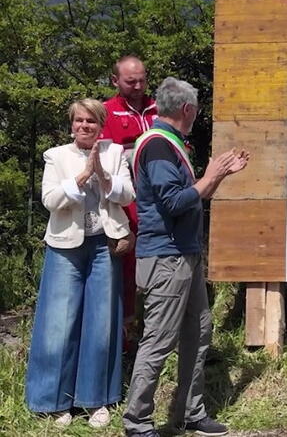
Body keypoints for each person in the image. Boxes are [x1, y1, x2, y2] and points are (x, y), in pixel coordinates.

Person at [123, 77, 249, 437]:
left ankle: (191, 413)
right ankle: (137, 422)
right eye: (196, 110)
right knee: (159, 340)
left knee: (199, 330)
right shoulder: (158, 146)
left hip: (184, 255)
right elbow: (174, 202)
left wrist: (218, 177)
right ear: (187, 109)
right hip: (166, 258)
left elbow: (194, 194)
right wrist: (211, 174)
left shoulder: (170, 143)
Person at [26, 99, 135, 428]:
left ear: (101, 125)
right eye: (79, 121)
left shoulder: (115, 152)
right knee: (59, 323)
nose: (85, 126)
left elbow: (128, 195)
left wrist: (103, 175)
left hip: (104, 244)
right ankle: (54, 401)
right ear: (71, 124)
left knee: (101, 323)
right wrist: (83, 175)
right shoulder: (56, 155)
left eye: (91, 121)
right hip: (65, 246)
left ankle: (96, 400)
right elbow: (50, 200)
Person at [101, 55, 158, 348]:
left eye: (142, 80)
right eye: (130, 81)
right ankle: (125, 334)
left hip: (161, 197)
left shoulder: (159, 107)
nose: (137, 87)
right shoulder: (106, 111)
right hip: (127, 199)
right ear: (115, 80)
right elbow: (107, 161)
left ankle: (159, 329)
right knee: (127, 262)